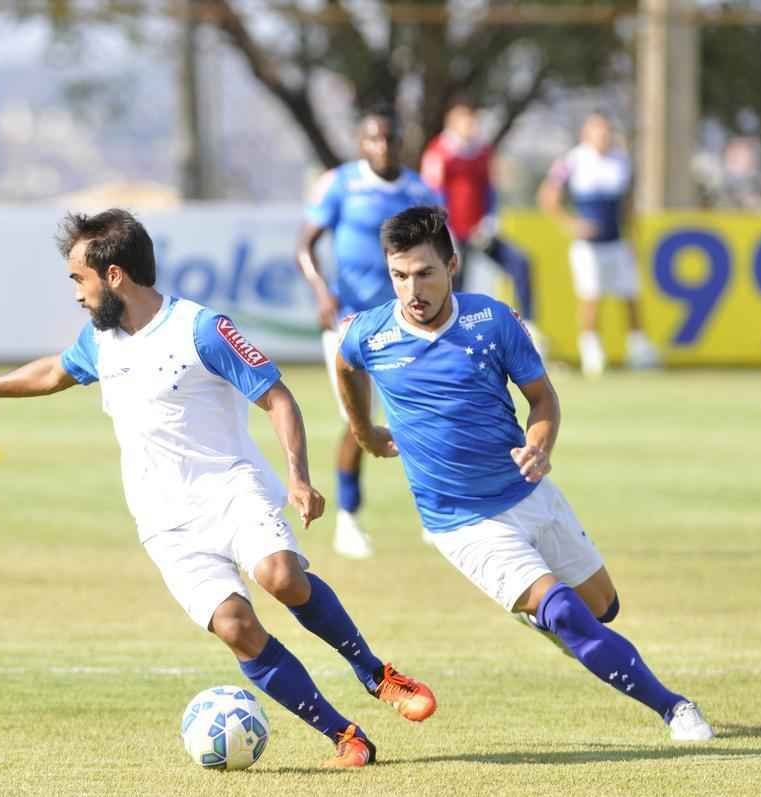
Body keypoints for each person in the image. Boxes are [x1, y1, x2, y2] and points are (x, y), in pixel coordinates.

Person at [0, 209, 436, 768]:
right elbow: (52, 373)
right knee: (236, 627)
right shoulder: (101, 341)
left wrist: (298, 476)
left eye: (79, 279)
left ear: (114, 275)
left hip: (230, 489)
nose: (76, 294)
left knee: (281, 576)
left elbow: (278, 397)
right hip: (164, 519)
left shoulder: (202, 329)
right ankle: (344, 735)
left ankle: (374, 671)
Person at [332, 205, 715, 742]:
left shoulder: (492, 322)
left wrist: (539, 442)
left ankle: (543, 612)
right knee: (563, 613)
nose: (411, 289)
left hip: (530, 492)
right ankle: (675, 708)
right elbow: (345, 364)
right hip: (461, 521)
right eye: (399, 276)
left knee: (603, 609)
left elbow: (542, 398)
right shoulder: (371, 334)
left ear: (453, 266)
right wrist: (363, 430)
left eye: (425, 273)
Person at [296, 108, 442, 559]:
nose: (382, 147)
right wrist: (322, 292)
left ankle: (438, 514)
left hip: (406, 320)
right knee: (357, 421)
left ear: (401, 143)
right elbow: (305, 244)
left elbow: (441, 255)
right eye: (373, 139)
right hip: (350, 322)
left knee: (424, 414)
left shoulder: (419, 191)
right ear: (362, 144)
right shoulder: (341, 183)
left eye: (389, 139)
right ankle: (349, 519)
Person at [538, 113, 660, 377]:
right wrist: (571, 224)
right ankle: (592, 352)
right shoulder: (573, 160)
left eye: (606, 132)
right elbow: (548, 196)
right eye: (597, 131)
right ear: (586, 133)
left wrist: (634, 237)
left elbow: (627, 206)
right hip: (588, 245)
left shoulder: (621, 160)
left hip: (617, 241)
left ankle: (638, 349)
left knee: (630, 296)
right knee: (591, 296)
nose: (603, 137)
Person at [421, 99, 542, 350]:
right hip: (451, 233)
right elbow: (433, 194)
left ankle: (529, 328)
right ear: (453, 123)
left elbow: (489, 189)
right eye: (466, 121)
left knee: (521, 263)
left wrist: (489, 220)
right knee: (454, 283)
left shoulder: (482, 151)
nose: (472, 126)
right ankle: (447, 338)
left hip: (479, 231)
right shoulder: (438, 152)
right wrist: (445, 230)